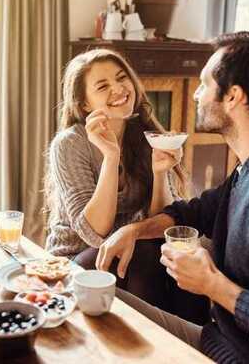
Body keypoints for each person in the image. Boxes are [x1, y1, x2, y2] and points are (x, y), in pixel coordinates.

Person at [96, 32, 249, 363]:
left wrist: (212, 285)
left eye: (204, 84)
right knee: (95, 296)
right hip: (216, 338)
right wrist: (134, 230)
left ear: (233, 96)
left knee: (103, 323)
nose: (197, 95)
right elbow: (198, 211)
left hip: (236, 356)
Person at [44, 48, 194, 310]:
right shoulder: (69, 144)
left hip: (132, 248)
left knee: (178, 260)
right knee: (145, 257)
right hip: (75, 257)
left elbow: (161, 220)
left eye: (122, 78)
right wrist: (111, 157)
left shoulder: (145, 135)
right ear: (85, 104)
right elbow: (94, 233)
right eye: (103, 86)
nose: (119, 89)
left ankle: (190, 343)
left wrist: (160, 173)